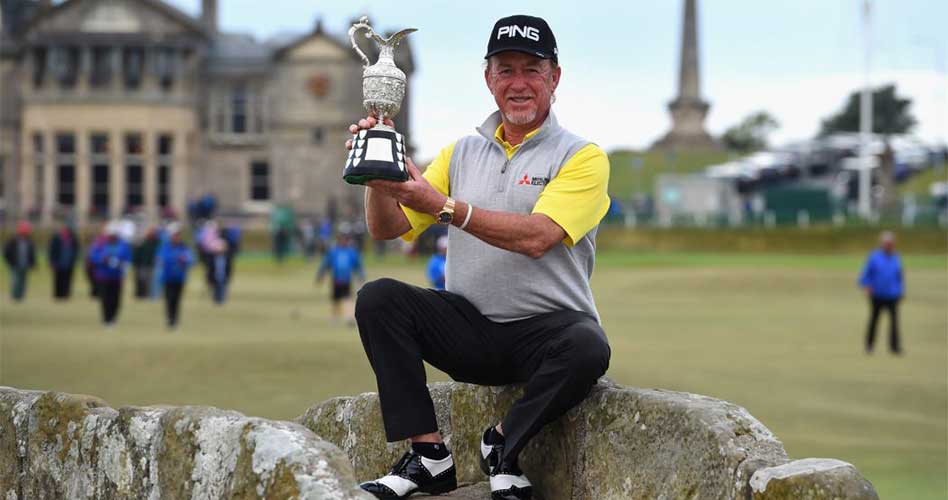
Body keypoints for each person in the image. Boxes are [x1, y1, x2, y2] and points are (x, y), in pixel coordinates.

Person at [349, 15, 611, 500]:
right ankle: (428, 456)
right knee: (379, 299)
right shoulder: (460, 152)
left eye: (532, 69)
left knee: (588, 345)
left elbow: (539, 236)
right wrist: (378, 178)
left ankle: (502, 445)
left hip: (545, 334)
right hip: (469, 328)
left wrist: (443, 206)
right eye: (505, 69)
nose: (518, 83)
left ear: (555, 77)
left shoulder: (582, 157)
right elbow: (389, 228)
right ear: (488, 79)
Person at [859, 231, 905, 355]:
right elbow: (865, 275)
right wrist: (867, 286)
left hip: (892, 296)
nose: (889, 245)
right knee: (874, 321)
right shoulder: (874, 257)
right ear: (882, 244)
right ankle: (869, 346)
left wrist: (901, 291)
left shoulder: (896, 257)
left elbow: (899, 276)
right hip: (877, 295)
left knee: (894, 322)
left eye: (891, 243)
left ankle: (895, 347)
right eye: (887, 243)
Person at [316, 226, 365, 322]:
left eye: (346, 239)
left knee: (347, 298)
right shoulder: (334, 252)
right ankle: (334, 317)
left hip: (346, 279)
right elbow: (325, 264)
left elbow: (358, 265)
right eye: (342, 239)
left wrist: (361, 275)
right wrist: (320, 275)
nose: (344, 241)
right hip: (336, 279)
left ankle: (349, 317)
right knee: (335, 299)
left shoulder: (351, 252)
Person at [90, 222, 132, 327]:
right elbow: (93, 256)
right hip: (103, 276)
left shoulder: (123, 244)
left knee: (116, 299)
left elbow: (127, 259)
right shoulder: (100, 243)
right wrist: (102, 259)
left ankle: (113, 318)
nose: (112, 236)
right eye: (111, 234)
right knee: (105, 298)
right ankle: (106, 319)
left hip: (117, 276)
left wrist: (122, 266)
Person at [157, 224, 194, 329]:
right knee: (169, 298)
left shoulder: (184, 247)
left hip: (179, 278)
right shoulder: (165, 247)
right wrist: (176, 258)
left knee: (177, 299)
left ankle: (175, 320)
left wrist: (184, 260)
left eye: (178, 235)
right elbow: (161, 258)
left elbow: (190, 260)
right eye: (174, 235)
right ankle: (169, 318)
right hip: (168, 278)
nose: (176, 237)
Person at [3, 221, 37, 302]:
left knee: (23, 281)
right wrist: (10, 262)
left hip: (25, 264)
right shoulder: (13, 241)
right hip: (15, 264)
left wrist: (33, 264)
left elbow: (31, 254)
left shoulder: (29, 242)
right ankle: (14, 296)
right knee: (15, 281)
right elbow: (6, 252)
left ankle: (21, 297)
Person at [47, 223, 80, 299]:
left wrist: (74, 259)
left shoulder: (72, 238)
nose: (65, 232)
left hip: (69, 263)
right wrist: (52, 261)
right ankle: (58, 294)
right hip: (59, 263)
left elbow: (76, 250)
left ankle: (66, 294)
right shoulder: (56, 238)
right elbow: (52, 250)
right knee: (58, 279)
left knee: (68, 280)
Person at [132, 227, 160, 299]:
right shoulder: (143, 242)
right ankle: (142, 294)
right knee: (142, 280)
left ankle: (150, 294)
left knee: (150, 280)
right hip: (143, 264)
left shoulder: (156, 242)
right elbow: (137, 254)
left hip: (152, 264)